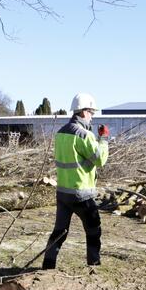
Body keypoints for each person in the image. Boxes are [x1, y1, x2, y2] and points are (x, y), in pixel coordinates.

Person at [42, 93, 109, 269]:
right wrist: (103, 139)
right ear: (84, 112)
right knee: (94, 229)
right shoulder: (84, 135)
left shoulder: (60, 133)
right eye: (92, 112)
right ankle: (93, 264)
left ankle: (48, 267)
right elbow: (100, 159)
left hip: (63, 192)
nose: (93, 116)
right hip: (81, 193)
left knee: (60, 232)